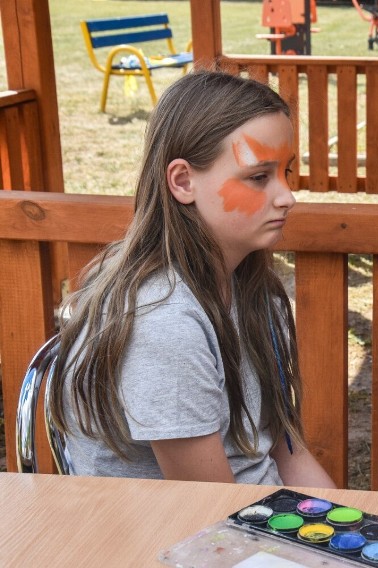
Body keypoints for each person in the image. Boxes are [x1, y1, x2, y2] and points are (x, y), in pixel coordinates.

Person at [49, 71, 336, 488]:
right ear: (184, 181)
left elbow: (285, 449)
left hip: (261, 521)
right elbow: (208, 512)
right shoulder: (165, 324)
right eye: (259, 177)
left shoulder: (258, 293)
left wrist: (345, 529)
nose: (287, 195)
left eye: (287, 172)